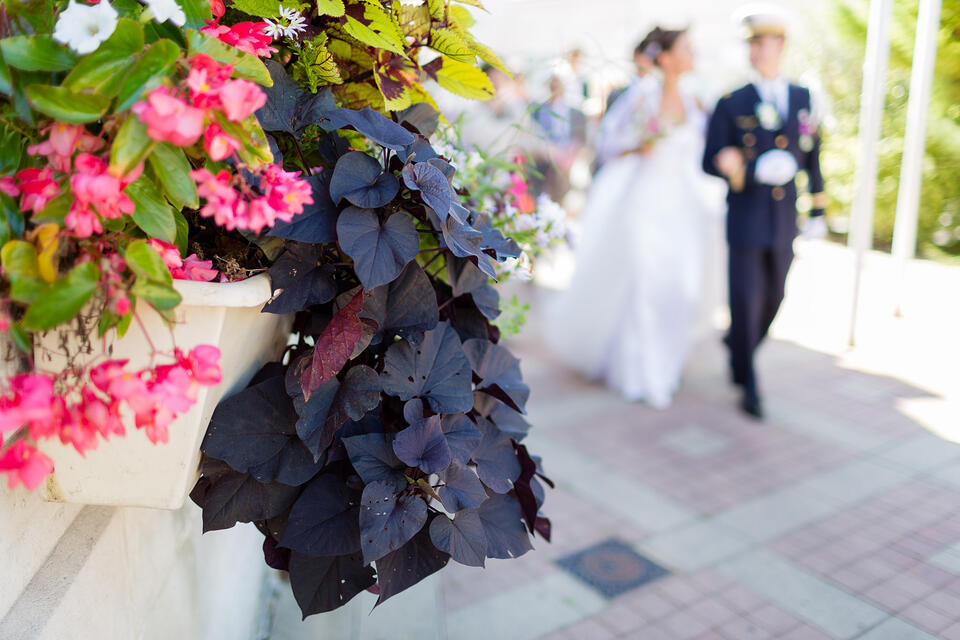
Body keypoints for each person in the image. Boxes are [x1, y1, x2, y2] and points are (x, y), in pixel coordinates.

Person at [545, 26, 723, 409]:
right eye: (687, 48)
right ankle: (640, 373)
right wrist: (638, 144)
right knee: (645, 282)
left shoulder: (696, 103)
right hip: (646, 202)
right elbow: (609, 142)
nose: (694, 54)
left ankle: (667, 363)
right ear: (667, 57)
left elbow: (706, 153)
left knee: (680, 288)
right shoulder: (643, 96)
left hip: (684, 208)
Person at [702, 7, 828, 419]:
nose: (757, 49)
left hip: (783, 218)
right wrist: (735, 164)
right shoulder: (731, 101)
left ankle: (738, 345)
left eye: (764, 42)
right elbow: (709, 159)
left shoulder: (802, 97)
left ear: (781, 46)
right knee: (747, 299)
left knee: (776, 295)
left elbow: (812, 154)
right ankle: (749, 383)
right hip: (746, 215)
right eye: (752, 42)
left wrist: (818, 207)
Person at [531, 75, 587, 203]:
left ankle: (559, 203)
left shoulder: (574, 112)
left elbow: (580, 138)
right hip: (544, 156)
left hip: (566, 158)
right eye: (553, 84)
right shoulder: (539, 110)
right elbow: (534, 135)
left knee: (561, 181)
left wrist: (568, 155)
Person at [605, 38, 657, 114]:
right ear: (635, 57)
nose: (647, 62)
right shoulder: (618, 94)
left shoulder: (656, 91)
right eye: (645, 57)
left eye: (651, 58)